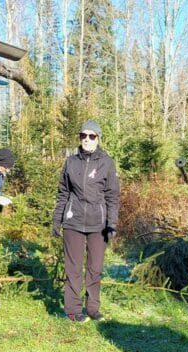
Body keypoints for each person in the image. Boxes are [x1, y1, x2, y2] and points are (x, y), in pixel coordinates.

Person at [52, 120, 120, 322]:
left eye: (91, 136)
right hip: (73, 221)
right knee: (73, 268)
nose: (87, 139)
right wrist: (57, 220)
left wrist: (111, 223)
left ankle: (93, 308)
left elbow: (112, 196)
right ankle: (73, 310)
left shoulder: (107, 163)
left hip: (98, 223)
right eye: (83, 135)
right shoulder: (71, 162)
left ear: (98, 138)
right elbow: (63, 193)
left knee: (95, 268)